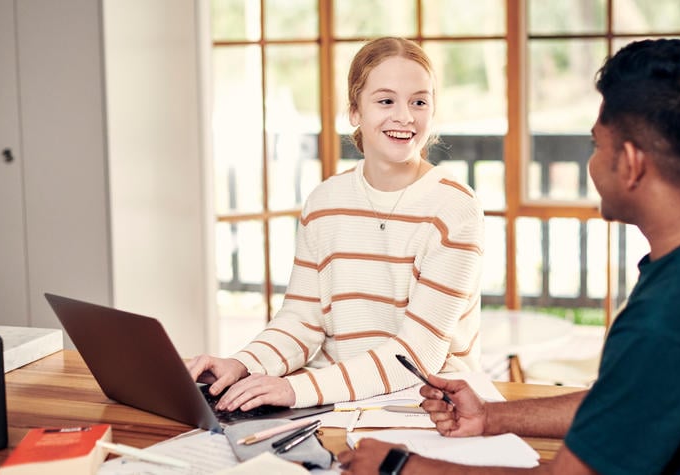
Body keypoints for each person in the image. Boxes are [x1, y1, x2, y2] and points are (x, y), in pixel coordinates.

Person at [338, 39, 680, 474]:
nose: (591, 161)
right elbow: (630, 400)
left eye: (595, 145)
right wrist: (491, 416)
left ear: (630, 163)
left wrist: (402, 467)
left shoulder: (677, 311)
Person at [188, 37, 485, 412]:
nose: (405, 117)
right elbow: (301, 320)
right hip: (332, 407)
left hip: (429, 410)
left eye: (419, 102)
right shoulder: (324, 202)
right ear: (355, 112)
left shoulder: (455, 208)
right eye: (386, 100)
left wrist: (296, 389)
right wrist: (243, 364)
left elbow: (418, 353)